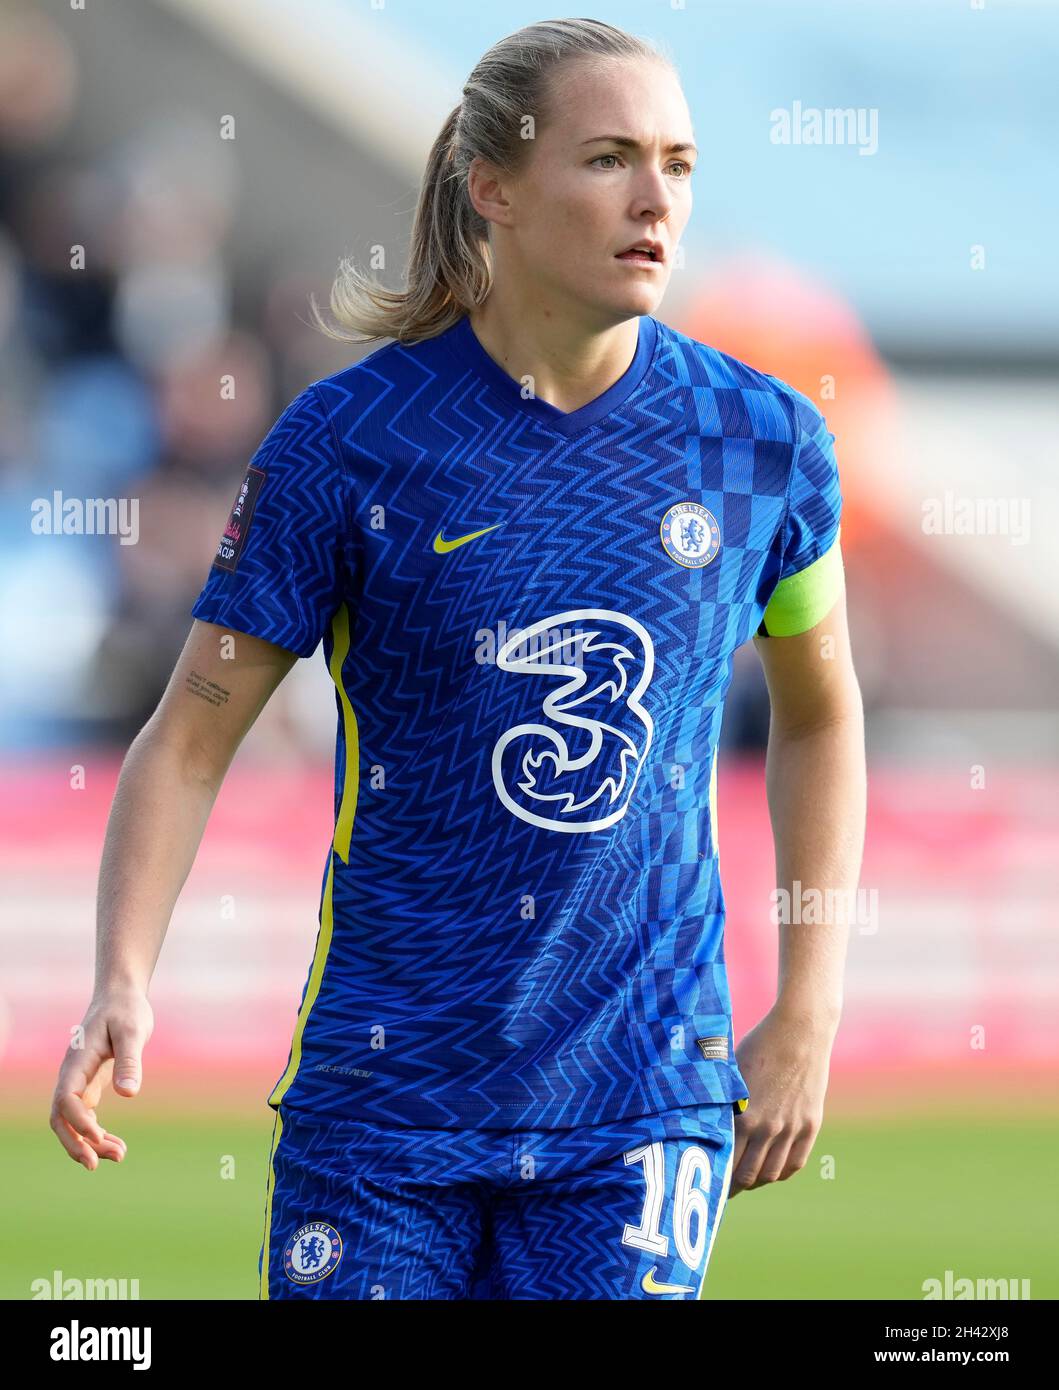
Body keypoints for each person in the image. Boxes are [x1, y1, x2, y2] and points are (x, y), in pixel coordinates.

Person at [49, 17, 865, 1300]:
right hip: (381, 1109)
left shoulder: (763, 444)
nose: (658, 198)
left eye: (680, 162)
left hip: (642, 1097)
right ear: (493, 188)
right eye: (609, 158)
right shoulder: (349, 441)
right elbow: (190, 734)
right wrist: (122, 977)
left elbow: (822, 718)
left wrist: (809, 1005)